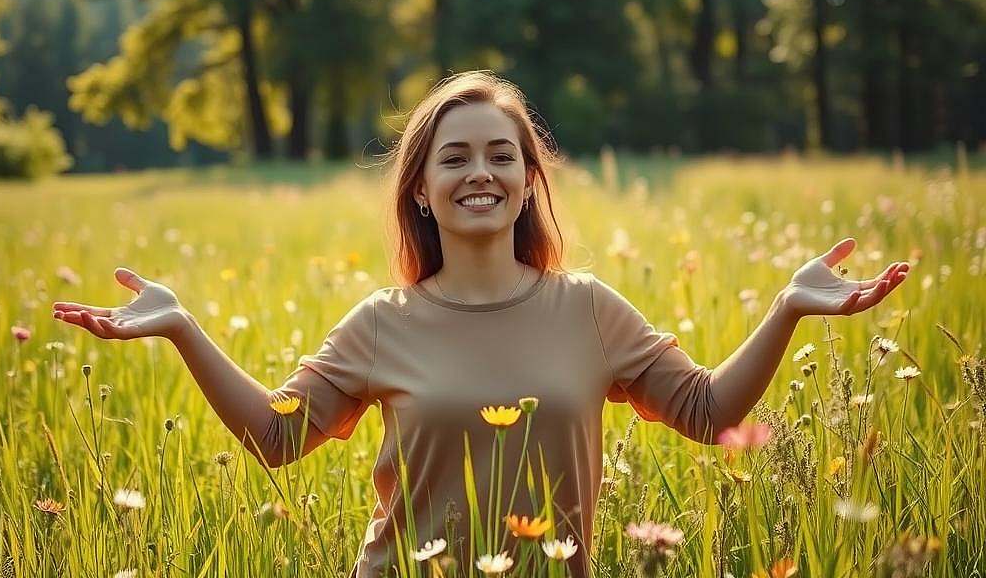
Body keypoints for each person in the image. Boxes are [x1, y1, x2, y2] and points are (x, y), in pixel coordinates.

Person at [52, 70, 909, 577]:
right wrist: (183, 327)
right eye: (454, 158)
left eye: (502, 156)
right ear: (422, 191)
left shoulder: (588, 308)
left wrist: (787, 307)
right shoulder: (382, 324)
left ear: (529, 183)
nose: (481, 174)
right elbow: (278, 439)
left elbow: (708, 412)